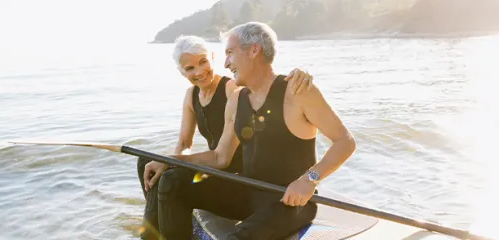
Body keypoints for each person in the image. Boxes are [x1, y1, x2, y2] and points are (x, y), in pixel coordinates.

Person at [150, 22, 357, 240]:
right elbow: (220, 157)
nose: (226, 63)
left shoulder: (298, 91)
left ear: (254, 50)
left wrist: (309, 180)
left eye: (230, 53)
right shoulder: (237, 99)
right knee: (172, 181)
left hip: (290, 201)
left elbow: (345, 141)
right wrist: (168, 160)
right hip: (247, 190)